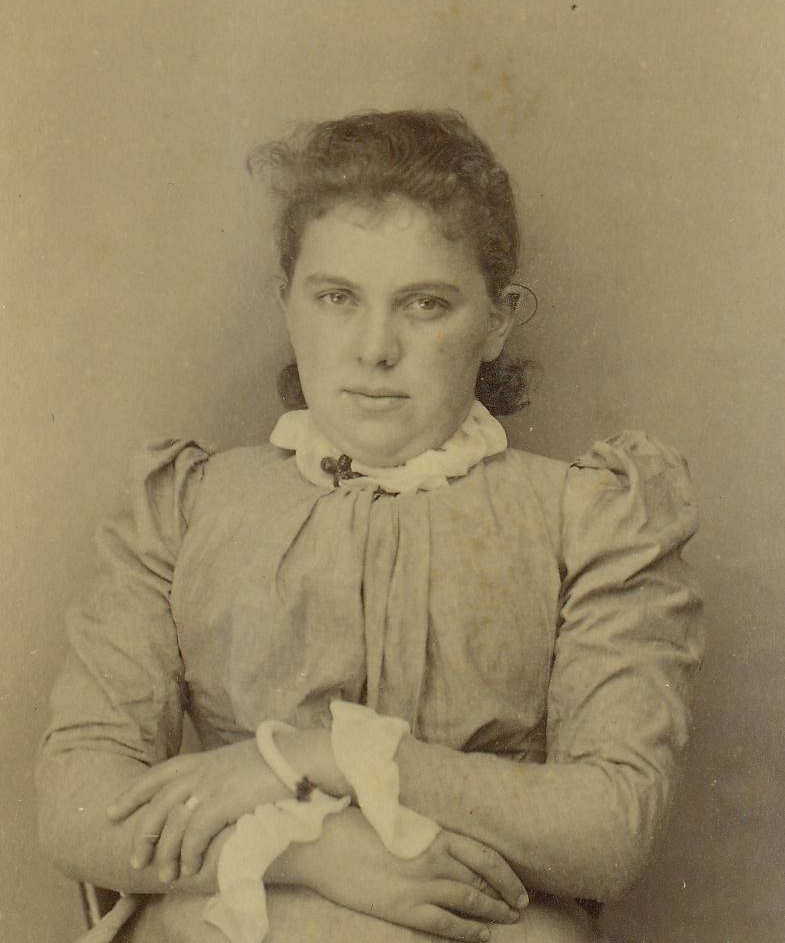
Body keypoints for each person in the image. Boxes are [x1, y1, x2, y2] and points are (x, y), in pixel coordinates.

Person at [37, 110, 704, 943]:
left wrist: (319, 756)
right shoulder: (186, 505)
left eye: (425, 304)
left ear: (496, 320)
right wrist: (311, 849)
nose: (374, 347)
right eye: (336, 299)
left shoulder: (592, 519)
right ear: (286, 304)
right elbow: (75, 800)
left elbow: (611, 830)